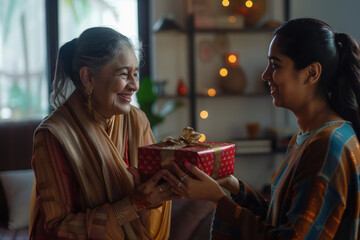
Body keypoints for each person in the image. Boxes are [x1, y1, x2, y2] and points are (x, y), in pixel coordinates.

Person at [164, 18, 360, 239]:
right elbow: (282, 219)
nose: (265, 75)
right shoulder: (309, 137)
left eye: (275, 65)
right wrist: (232, 185)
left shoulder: (326, 145)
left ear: (311, 73)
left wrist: (219, 199)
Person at [29, 27, 179, 239]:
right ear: (88, 77)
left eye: (135, 73)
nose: (134, 85)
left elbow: (153, 201)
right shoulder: (54, 135)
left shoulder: (136, 121)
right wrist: (132, 204)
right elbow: (57, 229)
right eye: (123, 74)